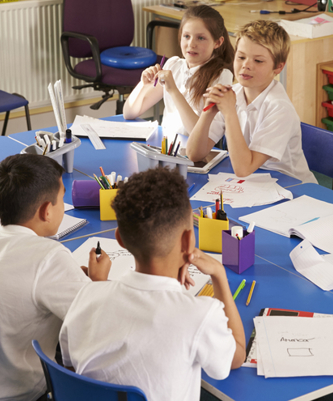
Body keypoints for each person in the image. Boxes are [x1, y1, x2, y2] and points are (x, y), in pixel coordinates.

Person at [59, 167, 246, 401]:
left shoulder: (86, 296)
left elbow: (69, 364)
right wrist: (219, 274)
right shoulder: (200, 315)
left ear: (120, 239)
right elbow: (236, 357)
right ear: (188, 240)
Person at [0, 154, 111, 401]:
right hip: (16, 390)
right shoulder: (50, 256)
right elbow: (97, 322)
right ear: (46, 210)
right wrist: (98, 284)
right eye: (61, 198)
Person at [186, 20, 315, 183]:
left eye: (258, 61)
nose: (246, 65)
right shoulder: (233, 93)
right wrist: (208, 113)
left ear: (278, 68)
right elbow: (194, 154)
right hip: (256, 181)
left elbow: (243, 169)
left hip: (293, 188)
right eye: (241, 57)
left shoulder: (280, 108)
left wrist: (229, 112)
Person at [123, 5, 234, 137]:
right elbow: (129, 113)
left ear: (217, 42)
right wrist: (143, 85)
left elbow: (201, 137)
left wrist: (174, 91)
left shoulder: (221, 76)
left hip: (192, 154)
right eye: (186, 36)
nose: (191, 44)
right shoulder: (173, 65)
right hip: (165, 148)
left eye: (201, 38)